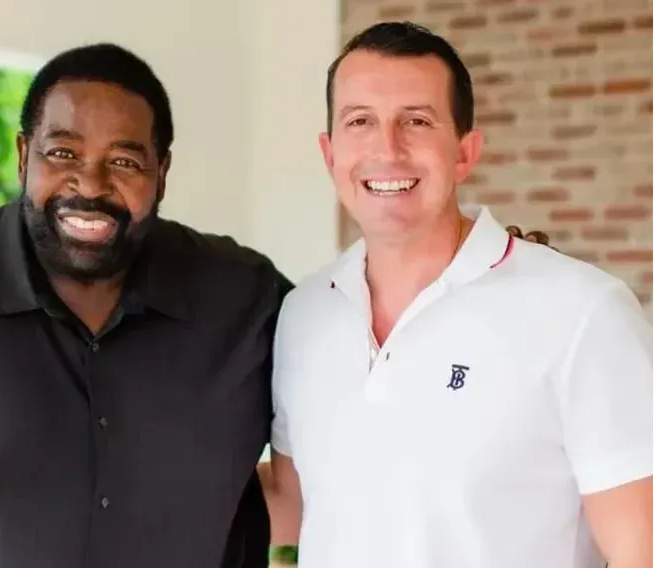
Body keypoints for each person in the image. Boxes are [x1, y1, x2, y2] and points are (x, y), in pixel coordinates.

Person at [0, 43, 289, 567]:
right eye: (63, 153)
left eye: (124, 161)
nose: (90, 185)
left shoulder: (244, 301)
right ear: (24, 156)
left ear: (162, 171)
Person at [259, 21, 653, 568]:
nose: (387, 148)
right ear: (330, 154)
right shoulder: (303, 312)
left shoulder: (584, 312)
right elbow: (295, 503)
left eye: (416, 121)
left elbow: (642, 548)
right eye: (360, 121)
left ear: (465, 153)